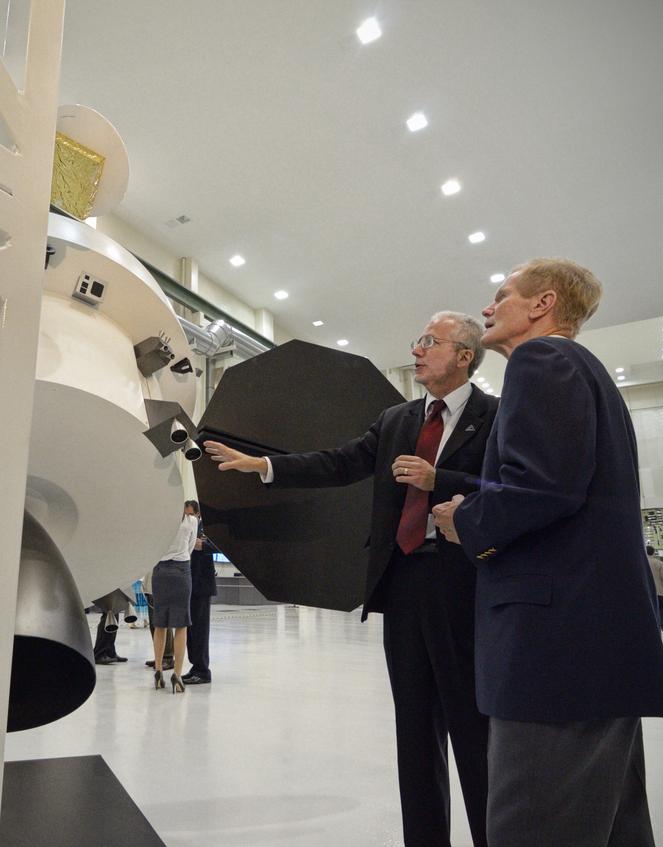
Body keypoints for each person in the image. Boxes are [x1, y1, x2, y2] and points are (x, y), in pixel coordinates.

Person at [207, 310, 497, 847]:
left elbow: (507, 486)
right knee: (414, 731)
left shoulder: (497, 416)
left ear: (464, 356)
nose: (416, 350)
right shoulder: (397, 419)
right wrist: (262, 466)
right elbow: (338, 464)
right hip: (402, 583)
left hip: (467, 588)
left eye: (429, 342)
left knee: (474, 731)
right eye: (417, 340)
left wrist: (443, 480)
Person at [432, 259, 663, 847]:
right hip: (593, 647)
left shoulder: (544, 360)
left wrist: (463, 518)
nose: (488, 309)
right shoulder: (585, 372)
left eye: (501, 296)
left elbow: (542, 487)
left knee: (532, 824)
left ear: (542, 304)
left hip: (554, 650)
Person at [149, 501, 198, 693]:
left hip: (160, 571)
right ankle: (177, 675)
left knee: (160, 624)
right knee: (181, 625)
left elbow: (152, 546)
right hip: (181, 570)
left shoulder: (159, 520)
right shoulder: (191, 520)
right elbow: (191, 545)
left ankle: (159, 671)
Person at [184, 501, 217, 685]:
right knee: (190, 630)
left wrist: (202, 546)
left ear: (198, 514)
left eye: (190, 515)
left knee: (200, 631)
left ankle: (203, 670)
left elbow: (220, 546)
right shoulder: (185, 528)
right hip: (188, 584)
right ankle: (195, 666)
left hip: (202, 586)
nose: (188, 518)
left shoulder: (206, 529)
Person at [646, 545, 663, 634]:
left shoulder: (642, 563)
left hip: (646, 591)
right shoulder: (659, 563)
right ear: (653, 552)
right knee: (662, 609)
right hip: (658, 591)